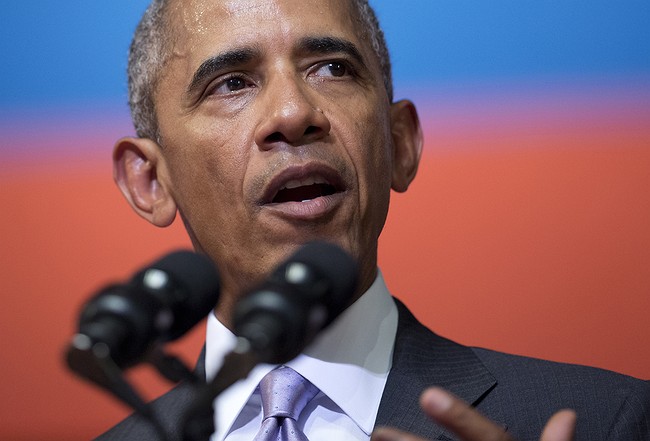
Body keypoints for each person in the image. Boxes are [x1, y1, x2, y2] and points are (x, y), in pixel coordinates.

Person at [98, 0, 650, 440]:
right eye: (233, 82)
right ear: (150, 181)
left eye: (333, 69)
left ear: (400, 143)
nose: (294, 114)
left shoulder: (608, 421)